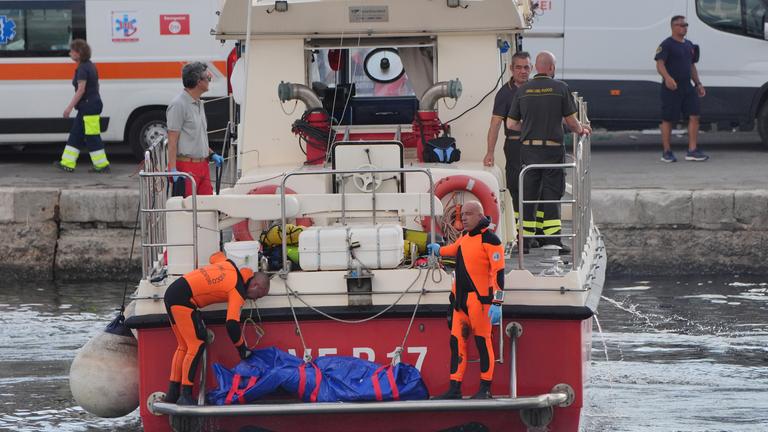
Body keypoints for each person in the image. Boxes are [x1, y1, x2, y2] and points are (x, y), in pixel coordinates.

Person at [506, 51, 591, 253]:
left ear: (535, 68)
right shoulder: (560, 88)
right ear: (551, 68)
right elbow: (571, 121)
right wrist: (582, 130)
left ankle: (524, 242)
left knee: (528, 194)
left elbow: (510, 123)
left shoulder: (523, 90)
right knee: (552, 193)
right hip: (552, 150)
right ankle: (552, 240)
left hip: (529, 150)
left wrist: (528, 129)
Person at [163, 251, 270, 405]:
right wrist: (242, 348)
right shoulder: (237, 291)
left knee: (183, 346)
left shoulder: (228, 264)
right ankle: (185, 395)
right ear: (255, 285)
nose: (254, 299)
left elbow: (214, 256)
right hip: (183, 300)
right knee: (196, 345)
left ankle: (172, 394)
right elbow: (231, 324)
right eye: (258, 296)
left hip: (173, 292)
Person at [427, 201, 505, 400]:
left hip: (480, 302)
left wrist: (497, 303)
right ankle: (455, 388)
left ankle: (485, 388)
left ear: (480, 215)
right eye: (463, 215)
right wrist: (438, 250)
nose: (464, 218)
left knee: (482, 342)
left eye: (468, 214)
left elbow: (498, 274)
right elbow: (453, 250)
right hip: (460, 302)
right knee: (456, 344)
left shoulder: (491, 240)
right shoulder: (464, 237)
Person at [484, 51, 532, 224]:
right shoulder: (504, 93)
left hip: (536, 148)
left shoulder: (536, 89)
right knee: (516, 187)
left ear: (531, 68)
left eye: (526, 67)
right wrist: (490, 152)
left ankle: (536, 233)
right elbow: (495, 125)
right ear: (511, 69)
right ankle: (520, 230)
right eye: (518, 67)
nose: (523, 71)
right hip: (514, 147)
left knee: (535, 187)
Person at [655, 15, 709, 163]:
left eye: (686, 25)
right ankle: (667, 152)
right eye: (681, 25)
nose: (684, 27)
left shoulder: (689, 45)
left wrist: (698, 83)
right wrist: (667, 78)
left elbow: (691, 66)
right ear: (673, 27)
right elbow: (660, 64)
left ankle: (692, 150)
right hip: (672, 87)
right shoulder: (667, 44)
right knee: (668, 119)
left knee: (694, 115)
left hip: (687, 87)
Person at [167, 62, 224, 197]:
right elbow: (172, 140)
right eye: (208, 78)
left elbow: (198, 137)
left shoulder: (199, 103)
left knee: (208, 208)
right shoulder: (178, 105)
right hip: (187, 167)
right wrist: (173, 169)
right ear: (199, 82)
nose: (209, 81)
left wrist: (211, 154)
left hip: (203, 165)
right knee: (187, 211)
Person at [55, 39, 110, 173]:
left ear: (78, 53)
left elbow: (81, 90)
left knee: (92, 136)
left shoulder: (82, 68)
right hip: (89, 106)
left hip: (88, 107)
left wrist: (69, 108)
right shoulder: (90, 65)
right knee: (76, 134)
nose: (70, 54)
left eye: (72, 51)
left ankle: (102, 165)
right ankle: (67, 163)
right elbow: (96, 86)